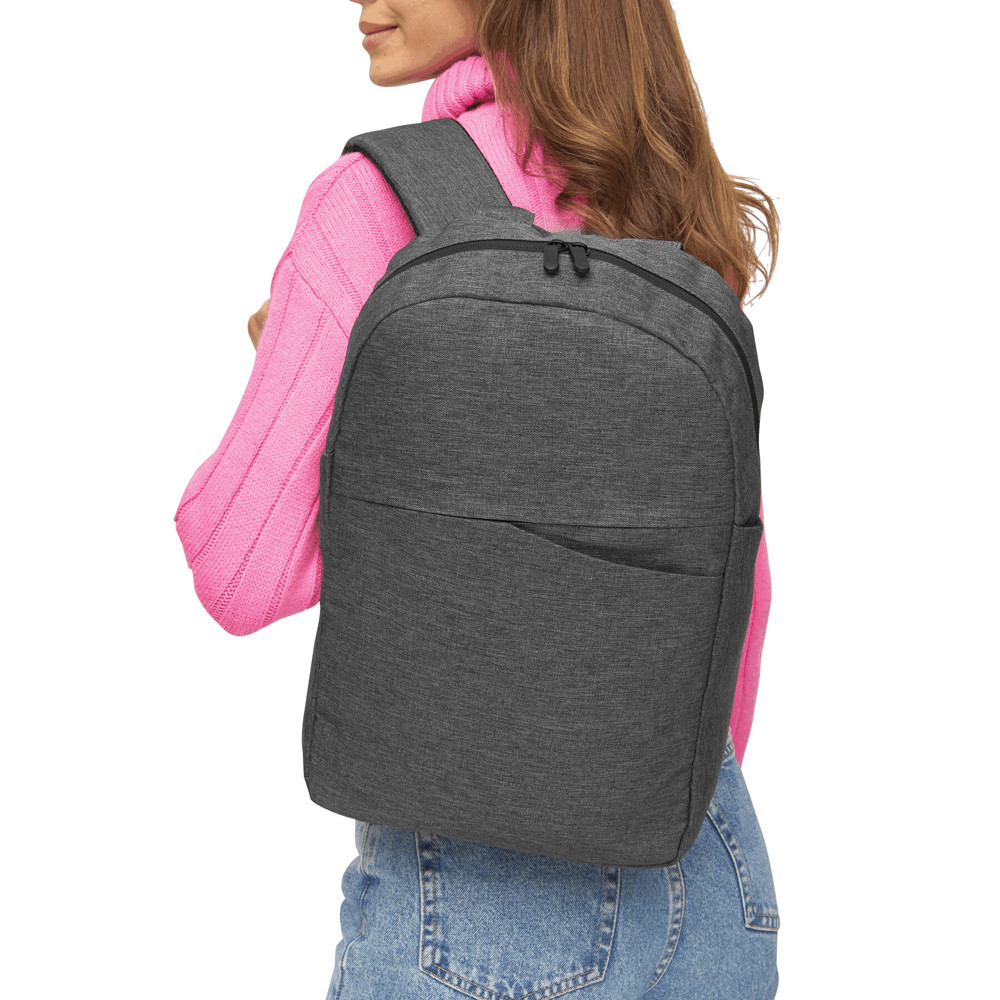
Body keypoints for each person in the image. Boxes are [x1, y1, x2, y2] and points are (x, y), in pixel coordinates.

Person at [174, 1, 782, 997]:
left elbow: (239, 571)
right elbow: (736, 581)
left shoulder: (374, 201)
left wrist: (288, 362)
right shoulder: (669, 193)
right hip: (712, 867)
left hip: (483, 902)